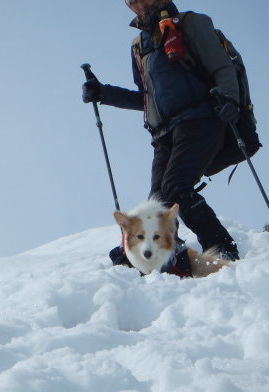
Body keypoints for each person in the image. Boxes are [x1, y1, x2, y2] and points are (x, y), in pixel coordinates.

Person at [82, 0, 241, 271]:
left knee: (176, 187)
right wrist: (104, 93)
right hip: (164, 132)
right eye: (129, 1)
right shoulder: (139, 45)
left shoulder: (192, 23)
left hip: (202, 118)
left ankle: (223, 248)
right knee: (158, 202)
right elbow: (147, 99)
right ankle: (164, 256)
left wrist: (229, 99)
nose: (135, 4)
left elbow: (221, 67)